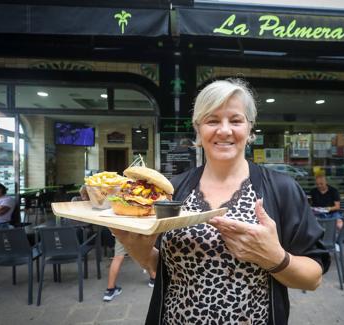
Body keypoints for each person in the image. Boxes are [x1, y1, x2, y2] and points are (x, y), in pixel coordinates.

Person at [111, 79, 329, 324]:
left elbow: (313, 278)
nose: (224, 130)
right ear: (198, 128)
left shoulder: (282, 189)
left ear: (249, 129)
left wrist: (274, 257)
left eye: (235, 120)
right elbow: (160, 268)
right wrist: (137, 248)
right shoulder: (174, 190)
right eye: (212, 120)